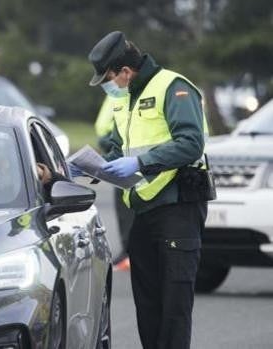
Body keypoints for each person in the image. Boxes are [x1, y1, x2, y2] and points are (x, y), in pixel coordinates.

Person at [87, 31, 211, 349]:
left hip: (177, 207)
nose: (108, 85)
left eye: (110, 77)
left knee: (174, 308)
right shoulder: (125, 99)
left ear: (126, 71)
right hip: (142, 209)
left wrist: (142, 163)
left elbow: (191, 143)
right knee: (149, 307)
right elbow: (118, 149)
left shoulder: (173, 87)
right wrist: (91, 166)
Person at [94, 95, 134, 268]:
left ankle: (131, 252)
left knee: (130, 209)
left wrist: (109, 140)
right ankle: (127, 250)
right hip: (115, 150)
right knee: (122, 208)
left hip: (130, 157)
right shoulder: (115, 93)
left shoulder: (131, 92)